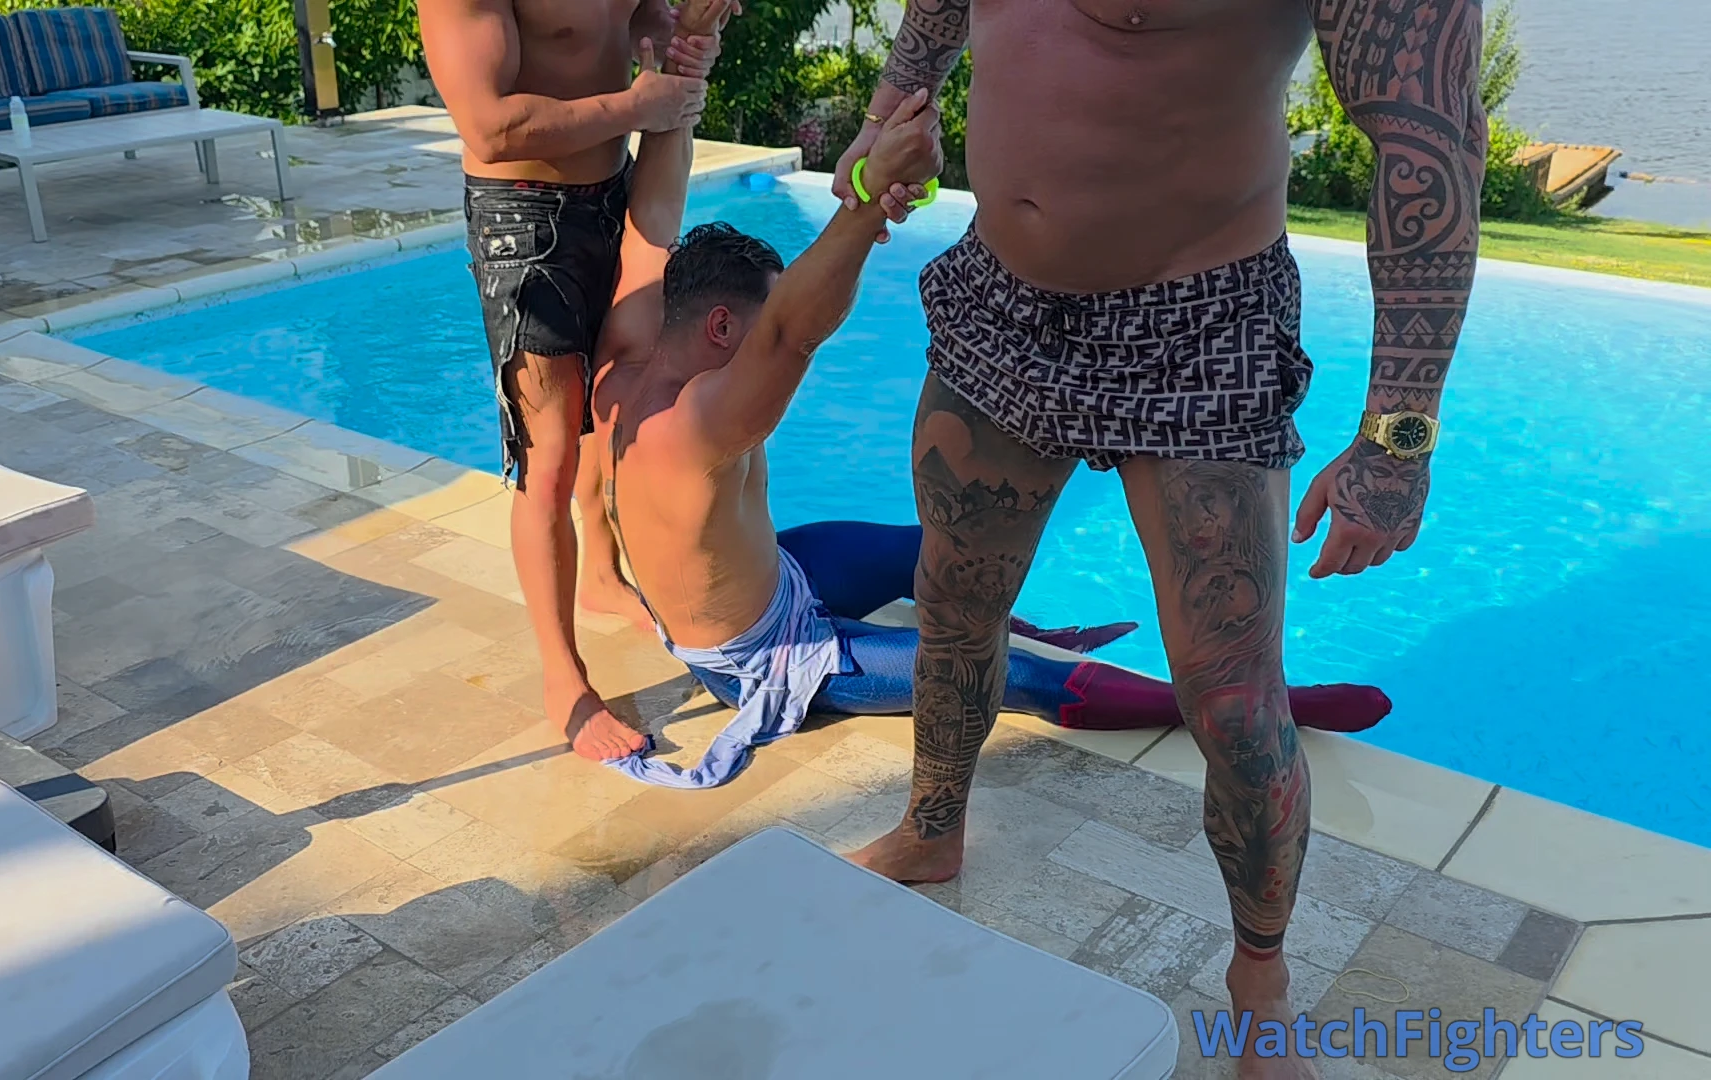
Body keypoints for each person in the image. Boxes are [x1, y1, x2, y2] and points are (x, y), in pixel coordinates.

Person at [831, 2, 1486, 1075]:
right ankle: (932, 829)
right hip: (1002, 299)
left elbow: (1431, 144)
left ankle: (1260, 979)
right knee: (953, 599)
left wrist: (1398, 440)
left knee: (1233, 701)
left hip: (1204, 321)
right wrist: (895, 106)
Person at [585, 97, 1391, 789]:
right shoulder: (691, 430)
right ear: (721, 326)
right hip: (767, 653)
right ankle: (1233, 706)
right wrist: (867, 201)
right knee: (1009, 678)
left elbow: (651, 223)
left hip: (775, 572)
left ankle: (1029, 623)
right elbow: (790, 334)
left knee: (953, 548)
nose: (757, 349)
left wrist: (682, 81)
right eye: (752, 323)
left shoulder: (623, 363)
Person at [418, 0, 726, 761]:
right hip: (522, 214)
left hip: (615, 188)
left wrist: (682, 41)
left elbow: (636, 20)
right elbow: (489, 126)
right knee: (549, 456)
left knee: (615, 398)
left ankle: (601, 575)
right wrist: (638, 107)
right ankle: (565, 679)